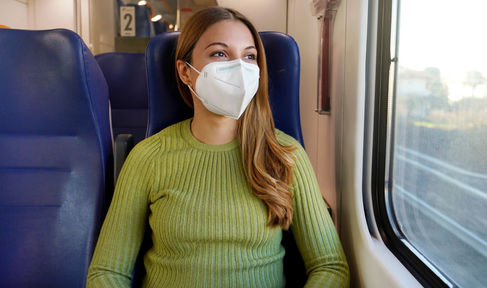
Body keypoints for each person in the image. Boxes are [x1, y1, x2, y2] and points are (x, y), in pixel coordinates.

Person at [87, 7, 349, 288]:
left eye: (249, 56)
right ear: (186, 72)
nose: (239, 68)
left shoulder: (286, 154)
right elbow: (107, 272)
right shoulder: (148, 157)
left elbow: (330, 266)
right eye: (220, 54)